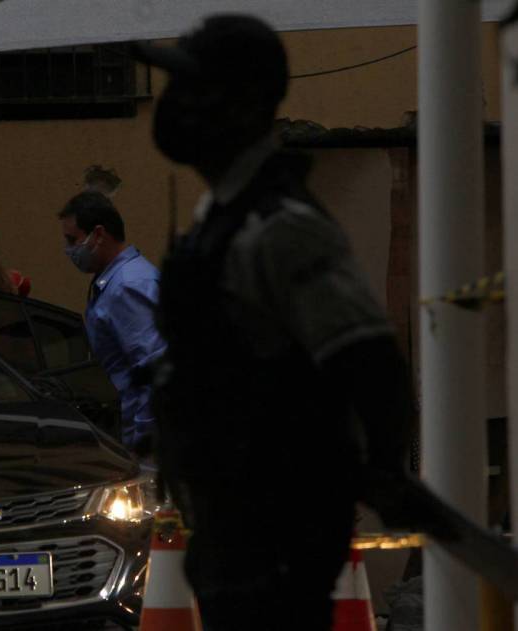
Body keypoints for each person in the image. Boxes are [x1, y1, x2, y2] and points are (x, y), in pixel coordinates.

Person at [136, 15, 413, 631]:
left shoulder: (281, 229)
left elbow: (369, 358)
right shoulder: (224, 217)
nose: (175, 105)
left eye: (193, 88)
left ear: (242, 104)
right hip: (230, 522)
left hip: (277, 536)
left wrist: (386, 468)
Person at [58, 190, 166, 449]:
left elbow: (154, 370)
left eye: (73, 240)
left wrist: (144, 444)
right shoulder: (118, 281)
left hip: (145, 442)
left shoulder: (126, 287)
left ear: (98, 235)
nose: (68, 250)